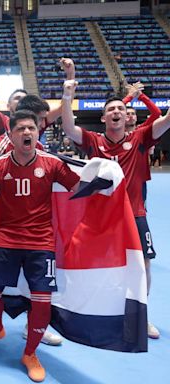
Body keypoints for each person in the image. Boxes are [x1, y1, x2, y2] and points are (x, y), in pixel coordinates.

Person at [0, 110, 80, 382]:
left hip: (41, 242)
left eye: (31, 128)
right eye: (20, 129)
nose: (27, 133)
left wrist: (106, 176)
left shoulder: (52, 164)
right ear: (11, 135)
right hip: (6, 238)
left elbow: (78, 187)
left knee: (42, 301)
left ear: (38, 133)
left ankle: (30, 353)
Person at [61, 79, 170, 340]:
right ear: (103, 117)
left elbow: (166, 120)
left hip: (134, 214)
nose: (117, 112)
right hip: (99, 217)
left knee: (143, 264)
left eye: (121, 108)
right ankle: (86, 310)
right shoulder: (92, 141)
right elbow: (68, 127)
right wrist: (67, 95)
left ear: (127, 115)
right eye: (111, 109)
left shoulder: (141, 136)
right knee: (88, 263)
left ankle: (141, 316)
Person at [0, 53, 75, 139]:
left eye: (24, 98)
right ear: (8, 106)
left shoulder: (39, 119)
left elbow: (65, 106)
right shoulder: (2, 121)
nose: (21, 100)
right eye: (17, 98)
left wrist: (70, 73)